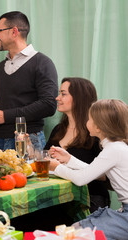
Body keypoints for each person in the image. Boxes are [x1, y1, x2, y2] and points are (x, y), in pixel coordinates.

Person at [49, 99, 128, 239]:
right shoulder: (116, 146)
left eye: (89, 119)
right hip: (125, 211)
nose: (86, 122)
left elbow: (80, 179)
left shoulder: (113, 149)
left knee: (77, 232)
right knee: (76, 229)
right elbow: (93, 171)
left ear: (98, 127)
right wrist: (69, 159)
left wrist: (57, 168)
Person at [0, 11, 58, 151]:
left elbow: (49, 104)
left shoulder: (42, 63)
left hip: (28, 140)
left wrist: (4, 115)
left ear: (14, 31)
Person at [45, 77, 110, 212]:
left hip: (89, 197)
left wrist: (64, 165)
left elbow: (106, 175)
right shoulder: (58, 129)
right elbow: (45, 160)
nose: (57, 98)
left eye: (63, 94)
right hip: (59, 196)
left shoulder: (96, 133)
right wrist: (28, 146)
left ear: (79, 98)